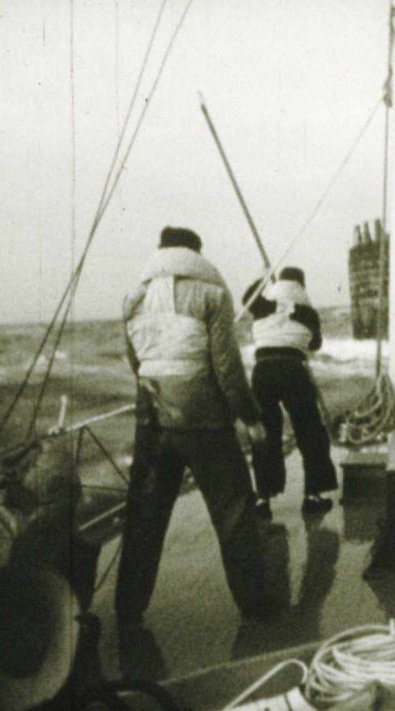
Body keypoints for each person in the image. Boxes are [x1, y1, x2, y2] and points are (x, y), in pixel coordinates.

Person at [116, 226, 278, 637]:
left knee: (145, 515)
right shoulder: (212, 294)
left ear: (160, 250)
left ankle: (128, 611)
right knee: (234, 511)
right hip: (204, 422)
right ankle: (254, 605)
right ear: (196, 253)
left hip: (151, 418)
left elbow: (136, 363)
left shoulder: (133, 299)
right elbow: (226, 368)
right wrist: (251, 417)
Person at [242, 267, 338, 518]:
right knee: (310, 432)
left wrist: (263, 278)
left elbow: (247, 298)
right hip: (293, 368)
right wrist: (291, 316)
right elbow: (315, 344)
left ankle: (263, 499)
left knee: (265, 433)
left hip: (263, 370)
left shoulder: (263, 305)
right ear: (301, 286)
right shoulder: (308, 313)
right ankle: (313, 495)